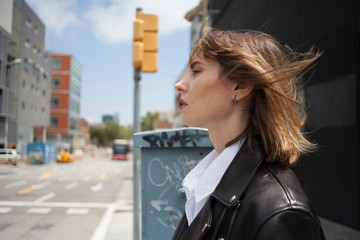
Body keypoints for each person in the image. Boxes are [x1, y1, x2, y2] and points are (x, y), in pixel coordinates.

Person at [172, 29, 326, 240]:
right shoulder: (205, 185)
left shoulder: (280, 212)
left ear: (240, 85)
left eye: (196, 71)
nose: (179, 85)